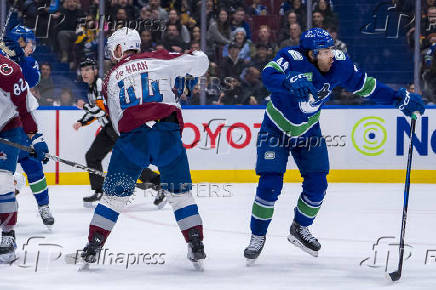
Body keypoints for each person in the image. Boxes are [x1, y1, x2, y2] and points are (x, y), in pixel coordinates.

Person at [243, 28, 425, 264]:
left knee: (318, 184)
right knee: (269, 184)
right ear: (311, 54)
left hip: (309, 131)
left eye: (331, 49)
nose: (331, 55)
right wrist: (287, 81)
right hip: (275, 129)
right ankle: (257, 235)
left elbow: (366, 86)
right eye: (325, 51)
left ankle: (300, 227)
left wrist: (397, 99)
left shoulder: (340, 65)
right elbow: (268, 74)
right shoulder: (290, 57)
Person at [78, 28, 209, 270]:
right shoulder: (160, 57)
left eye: (113, 49)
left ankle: (93, 245)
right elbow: (201, 63)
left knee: (113, 197)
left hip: (132, 139)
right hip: (167, 134)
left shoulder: (110, 78)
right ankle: (196, 242)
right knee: (180, 195)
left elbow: (116, 122)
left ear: (120, 48)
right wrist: (188, 65)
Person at [73, 58, 166, 208]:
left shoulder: (99, 85)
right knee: (92, 156)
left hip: (117, 127)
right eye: (83, 70)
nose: (85, 73)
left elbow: (102, 110)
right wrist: (82, 121)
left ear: (95, 71)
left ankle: (160, 183)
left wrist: (84, 107)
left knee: (131, 161)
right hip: (109, 128)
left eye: (88, 69)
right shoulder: (91, 88)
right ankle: (99, 190)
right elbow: (96, 112)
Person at [3, 25, 54, 228]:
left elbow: (32, 80)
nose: (32, 47)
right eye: (29, 42)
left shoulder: (29, 62)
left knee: (33, 167)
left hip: (20, 122)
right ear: (20, 41)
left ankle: (44, 206)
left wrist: (21, 60)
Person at [0, 53, 49, 263]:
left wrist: (36, 138)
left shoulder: (9, 72)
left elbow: (26, 109)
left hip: (7, 128)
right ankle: (17, 182)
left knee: (2, 182)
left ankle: (8, 234)